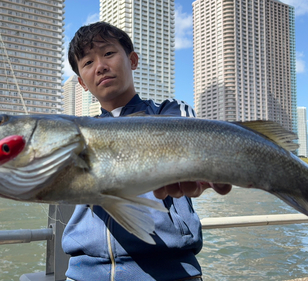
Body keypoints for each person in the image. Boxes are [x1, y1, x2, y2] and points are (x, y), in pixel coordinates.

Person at [62, 21, 232, 281]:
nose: (100, 67)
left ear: (132, 60)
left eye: (108, 53)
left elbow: (200, 150)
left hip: (172, 272)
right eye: (87, 63)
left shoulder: (171, 112)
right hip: (84, 274)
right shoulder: (78, 136)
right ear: (82, 83)